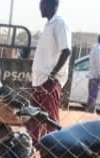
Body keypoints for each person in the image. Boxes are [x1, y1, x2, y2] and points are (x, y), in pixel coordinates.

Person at [28, 0, 72, 142]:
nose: (40, 7)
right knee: (33, 121)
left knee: (50, 122)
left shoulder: (60, 23)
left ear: (51, 5)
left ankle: (52, 156)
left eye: (42, 4)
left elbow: (66, 51)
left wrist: (52, 75)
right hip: (39, 82)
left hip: (49, 83)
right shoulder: (48, 25)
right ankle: (35, 153)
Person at [86, 33, 100, 114]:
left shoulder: (95, 48)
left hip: (92, 76)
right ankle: (90, 114)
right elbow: (99, 64)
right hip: (96, 77)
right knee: (93, 97)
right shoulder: (99, 50)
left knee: (92, 97)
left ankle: (90, 112)